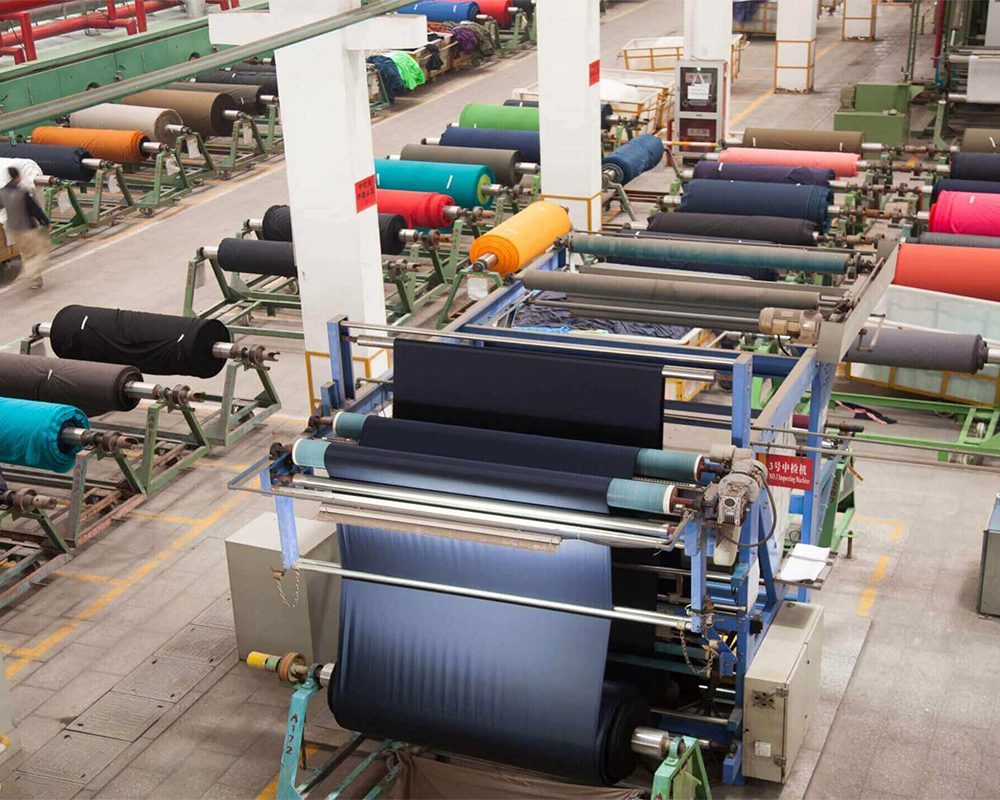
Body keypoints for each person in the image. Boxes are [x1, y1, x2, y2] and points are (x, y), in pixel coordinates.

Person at [0, 166, 51, 289]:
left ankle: (36, 280)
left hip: (13, 229)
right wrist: (45, 222)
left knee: (26, 254)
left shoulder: (2, 192)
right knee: (42, 251)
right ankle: (30, 273)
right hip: (27, 228)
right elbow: (35, 210)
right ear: (18, 177)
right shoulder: (22, 193)